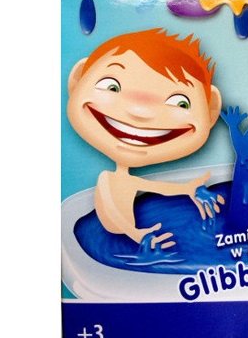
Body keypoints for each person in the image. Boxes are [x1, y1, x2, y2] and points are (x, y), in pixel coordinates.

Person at [67, 29, 223, 249]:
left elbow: (157, 188)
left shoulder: (124, 179)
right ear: (78, 81)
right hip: (114, 241)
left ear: (210, 110)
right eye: (112, 86)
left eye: (180, 102)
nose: (140, 111)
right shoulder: (107, 178)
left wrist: (188, 189)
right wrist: (136, 235)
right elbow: (113, 211)